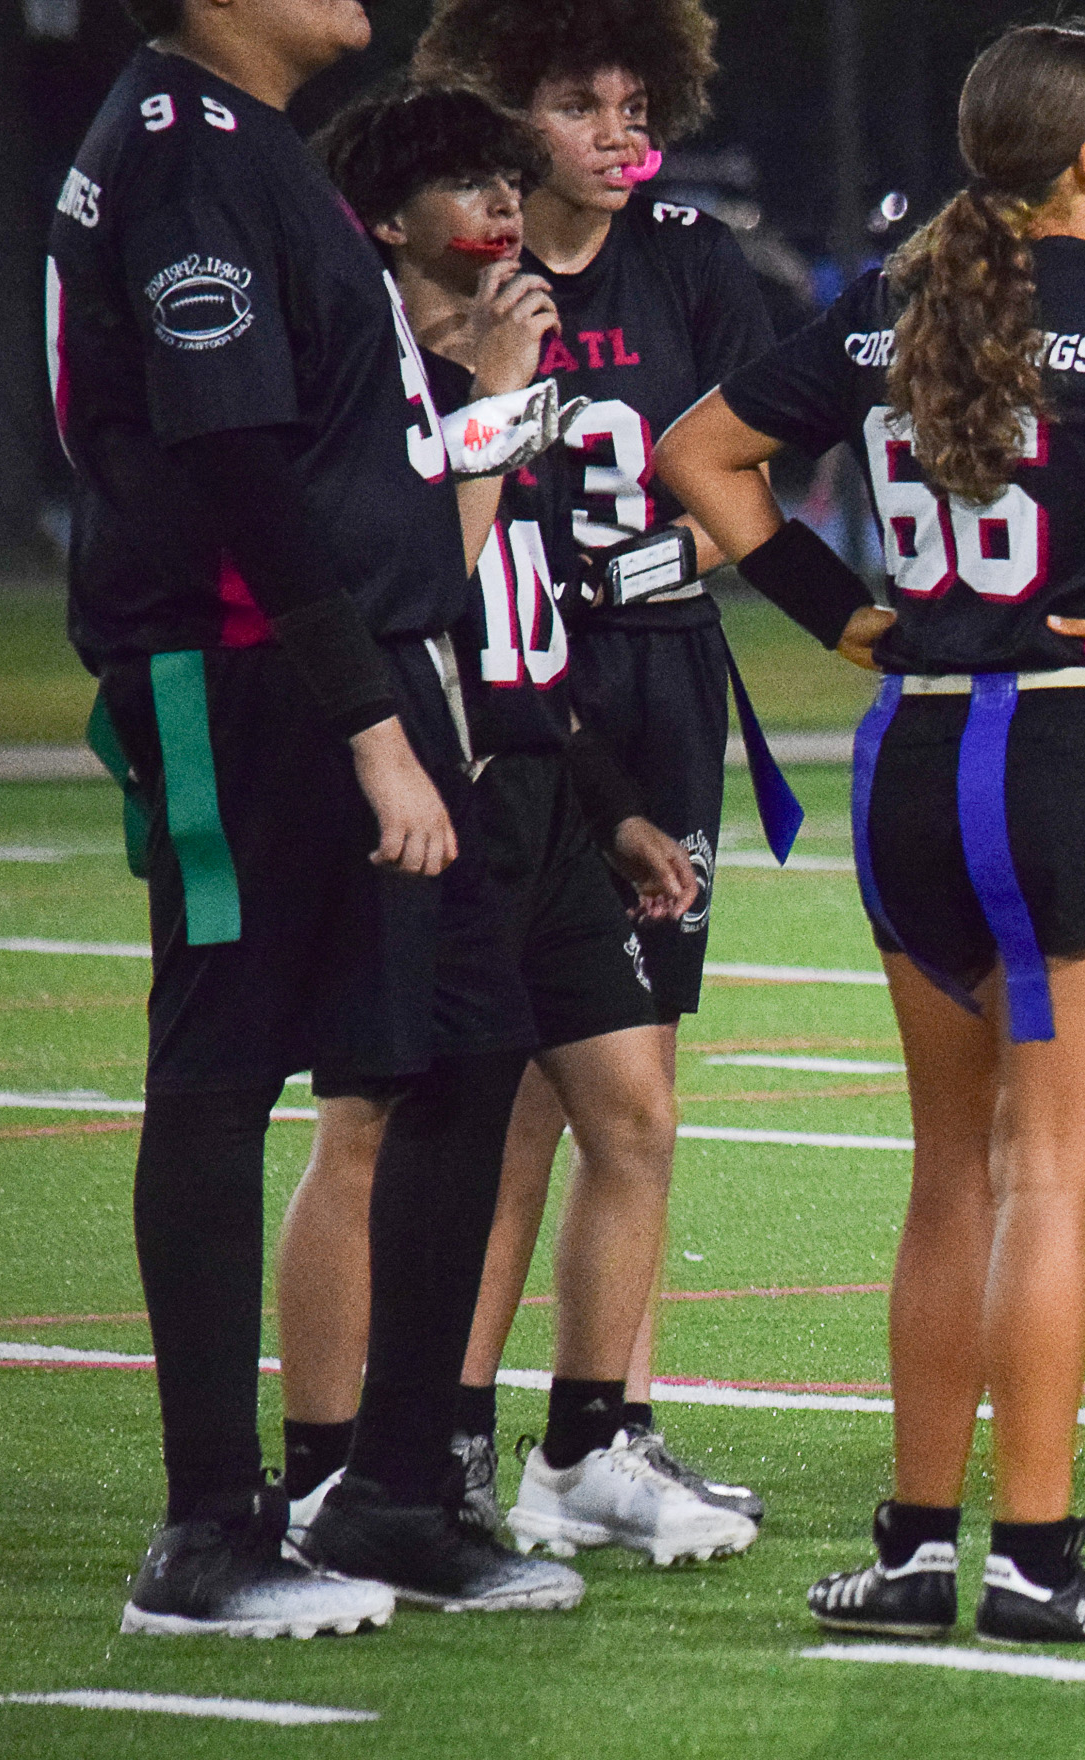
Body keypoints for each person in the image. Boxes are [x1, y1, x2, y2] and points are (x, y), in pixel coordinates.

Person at [656, 19, 1085, 1642]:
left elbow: (699, 454)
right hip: (1064, 751)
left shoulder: (900, 299)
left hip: (911, 755)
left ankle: (912, 1552)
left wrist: (840, 614)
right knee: (1051, 1179)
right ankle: (1032, 1558)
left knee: (949, 1176)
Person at [51, 0, 579, 1632]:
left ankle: (396, 1492)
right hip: (242, 671)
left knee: (468, 1042)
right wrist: (369, 721)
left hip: (361, 657)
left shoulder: (252, 147)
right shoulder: (181, 151)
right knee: (221, 1067)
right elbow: (235, 458)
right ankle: (207, 1530)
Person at [271, 79, 754, 1572]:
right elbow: (414, 586)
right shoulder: (370, 377)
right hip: (430, 787)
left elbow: (530, 624)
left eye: (504, 177)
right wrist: (486, 405)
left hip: (543, 796)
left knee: (632, 1108)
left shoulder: (513, 373)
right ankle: (327, 1466)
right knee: (371, 1124)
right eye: (465, 185)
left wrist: (610, 806)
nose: (499, 204)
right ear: (383, 222)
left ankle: (585, 1444)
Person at [411, 0, 774, 1518]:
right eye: (581, 103)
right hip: (510, 688)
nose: (622, 133)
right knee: (512, 1092)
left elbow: (757, 466)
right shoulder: (458, 277)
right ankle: (445, 1428)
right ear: (507, 110)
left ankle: (605, 1424)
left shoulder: (689, 260)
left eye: (637, 103)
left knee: (638, 1073)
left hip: (658, 681)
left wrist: (674, 555)